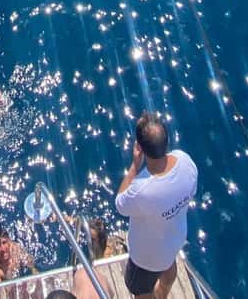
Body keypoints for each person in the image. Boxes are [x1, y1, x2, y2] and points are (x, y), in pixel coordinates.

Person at [116, 112, 199, 299]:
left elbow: (120, 204)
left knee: (141, 291)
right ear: (166, 141)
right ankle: (162, 294)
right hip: (175, 239)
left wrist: (135, 165)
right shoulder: (185, 160)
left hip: (146, 258)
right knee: (168, 265)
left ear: (140, 148)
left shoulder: (141, 189)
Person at [73, 219, 114, 299]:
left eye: (93, 239)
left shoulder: (106, 252)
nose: (89, 241)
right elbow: (76, 221)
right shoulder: (87, 229)